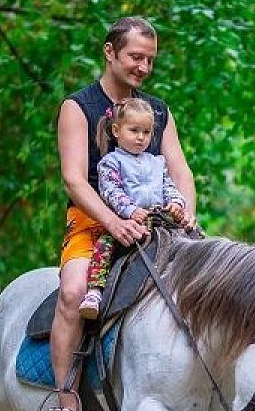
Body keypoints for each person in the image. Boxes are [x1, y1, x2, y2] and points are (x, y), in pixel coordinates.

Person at [42, 17, 196, 411]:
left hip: (156, 225)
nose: (143, 67)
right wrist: (114, 222)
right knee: (74, 292)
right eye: (135, 57)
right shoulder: (78, 107)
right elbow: (75, 180)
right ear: (110, 53)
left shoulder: (158, 112)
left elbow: (180, 172)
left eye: (150, 60)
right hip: (95, 223)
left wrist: (185, 212)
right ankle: (64, 396)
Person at [79, 98, 192, 319]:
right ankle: (94, 290)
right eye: (134, 130)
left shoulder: (156, 162)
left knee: (194, 239)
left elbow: (168, 186)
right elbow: (111, 191)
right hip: (128, 222)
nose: (141, 137)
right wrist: (129, 210)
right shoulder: (111, 162)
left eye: (146, 132)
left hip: (159, 222)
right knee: (105, 245)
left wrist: (177, 204)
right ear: (116, 130)